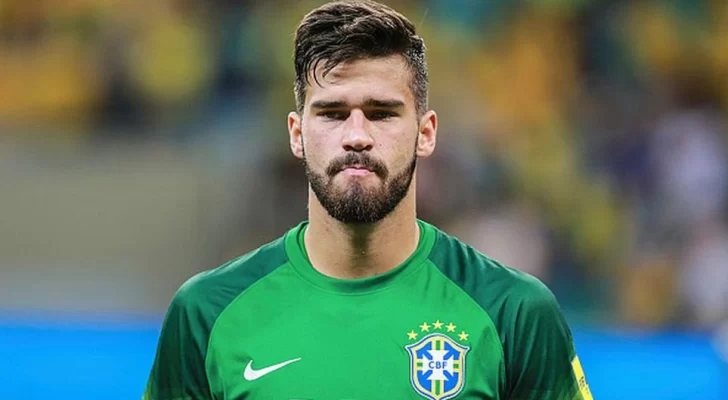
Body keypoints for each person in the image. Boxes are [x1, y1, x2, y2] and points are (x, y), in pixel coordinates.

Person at [143, 1, 593, 399]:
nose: (357, 136)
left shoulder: (512, 312)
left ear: (425, 133)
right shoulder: (207, 313)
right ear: (297, 134)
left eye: (381, 113)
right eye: (332, 113)